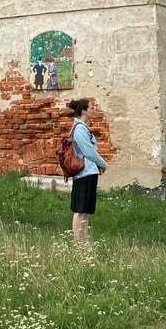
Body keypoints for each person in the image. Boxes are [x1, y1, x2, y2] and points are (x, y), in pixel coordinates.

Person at [67, 98, 108, 243]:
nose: (93, 110)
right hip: (83, 172)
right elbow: (88, 152)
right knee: (79, 210)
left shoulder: (83, 127)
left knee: (85, 211)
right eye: (91, 107)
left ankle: (84, 242)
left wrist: (97, 166)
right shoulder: (79, 129)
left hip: (90, 172)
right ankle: (79, 243)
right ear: (83, 110)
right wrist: (104, 164)